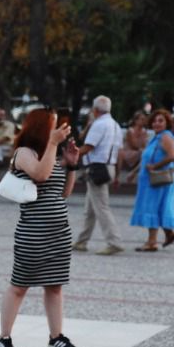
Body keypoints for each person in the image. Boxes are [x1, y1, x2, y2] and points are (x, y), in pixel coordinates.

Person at [0, 108, 82, 347]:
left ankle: (56, 336)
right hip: (33, 231)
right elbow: (41, 175)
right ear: (41, 126)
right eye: (53, 125)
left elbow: (62, 193)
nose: (57, 129)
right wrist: (54, 144)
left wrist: (72, 166)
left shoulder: (50, 153)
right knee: (19, 285)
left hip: (59, 230)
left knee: (55, 285)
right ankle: (4, 336)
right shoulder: (24, 153)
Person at [72, 95, 123, 255]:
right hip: (109, 167)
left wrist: (70, 156)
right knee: (91, 207)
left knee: (101, 207)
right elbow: (120, 153)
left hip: (97, 168)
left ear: (95, 110)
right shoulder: (115, 125)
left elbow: (87, 147)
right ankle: (82, 240)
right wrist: (117, 175)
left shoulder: (99, 125)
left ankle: (114, 241)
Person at [130, 108, 174, 251]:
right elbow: (146, 159)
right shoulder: (156, 138)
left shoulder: (165, 137)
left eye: (161, 121)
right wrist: (134, 172)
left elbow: (172, 155)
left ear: (167, 123)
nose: (157, 123)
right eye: (155, 121)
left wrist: (155, 166)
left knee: (152, 207)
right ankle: (169, 234)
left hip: (159, 179)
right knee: (158, 208)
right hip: (151, 179)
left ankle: (151, 243)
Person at [116, 112, 149, 186]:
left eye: (144, 119)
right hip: (129, 151)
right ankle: (119, 176)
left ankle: (135, 173)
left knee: (146, 154)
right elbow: (134, 145)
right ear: (136, 121)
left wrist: (143, 146)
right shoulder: (130, 131)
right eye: (141, 119)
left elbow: (145, 145)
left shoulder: (144, 131)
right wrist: (142, 146)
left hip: (139, 152)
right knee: (121, 153)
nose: (143, 121)